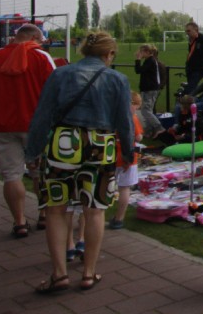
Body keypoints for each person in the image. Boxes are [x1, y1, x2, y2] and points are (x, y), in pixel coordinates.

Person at [25, 30, 135, 293]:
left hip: (62, 143)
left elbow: (42, 115)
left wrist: (33, 152)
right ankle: (89, 272)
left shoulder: (60, 74)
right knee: (95, 209)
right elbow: (125, 122)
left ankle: (59, 273)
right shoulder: (117, 79)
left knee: (56, 209)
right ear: (109, 54)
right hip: (100, 145)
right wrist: (128, 153)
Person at [0, 23, 56, 238]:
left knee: (11, 175)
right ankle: (44, 215)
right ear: (34, 38)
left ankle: (20, 221)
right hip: (36, 126)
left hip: (2, 126)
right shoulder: (41, 57)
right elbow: (56, 91)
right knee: (40, 172)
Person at [109, 90, 144, 230]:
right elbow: (138, 137)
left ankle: (97, 214)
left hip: (112, 155)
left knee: (107, 185)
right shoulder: (132, 118)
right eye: (136, 106)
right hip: (127, 157)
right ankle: (119, 218)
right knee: (124, 188)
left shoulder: (112, 116)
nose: (137, 109)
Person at [133, 44, 167, 137]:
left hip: (150, 90)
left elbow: (138, 70)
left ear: (147, 52)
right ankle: (148, 131)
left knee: (145, 110)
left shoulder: (151, 61)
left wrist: (138, 59)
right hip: (148, 89)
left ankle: (159, 127)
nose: (140, 53)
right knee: (148, 111)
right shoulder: (149, 61)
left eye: (141, 51)